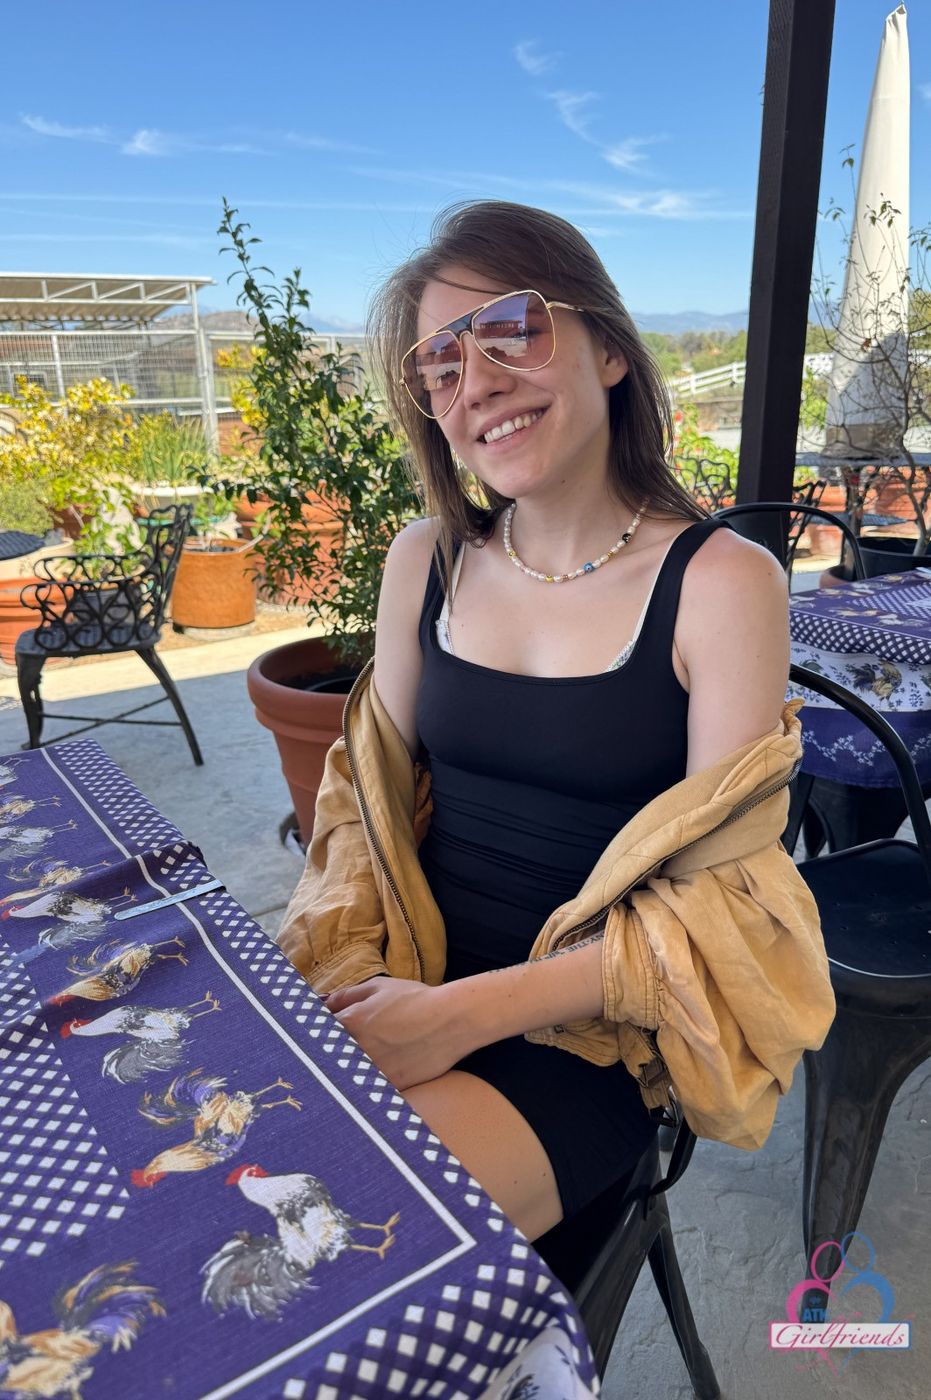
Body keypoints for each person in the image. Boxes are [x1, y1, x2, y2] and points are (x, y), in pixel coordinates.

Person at [278, 201, 834, 1243]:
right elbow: (362, 819)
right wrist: (362, 984)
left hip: (588, 1037)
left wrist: (452, 1018)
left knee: (342, 1243)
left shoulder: (720, 582)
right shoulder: (425, 561)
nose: (476, 381)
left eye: (510, 328)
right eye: (440, 365)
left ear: (609, 350)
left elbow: (719, 904)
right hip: (407, 980)